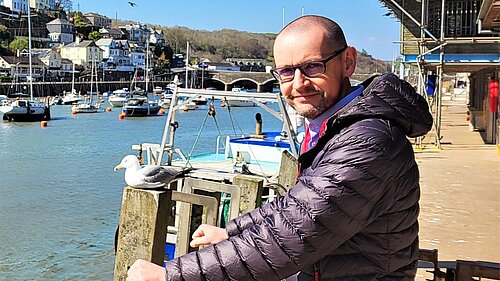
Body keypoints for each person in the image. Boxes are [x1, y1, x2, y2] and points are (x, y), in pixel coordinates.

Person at [126, 15, 433, 281]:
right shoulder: (336, 125)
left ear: (348, 61)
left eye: (312, 67)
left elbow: (289, 237)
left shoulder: (367, 140)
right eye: (286, 71)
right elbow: (294, 207)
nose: (298, 83)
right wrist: (231, 233)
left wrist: (170, 274)